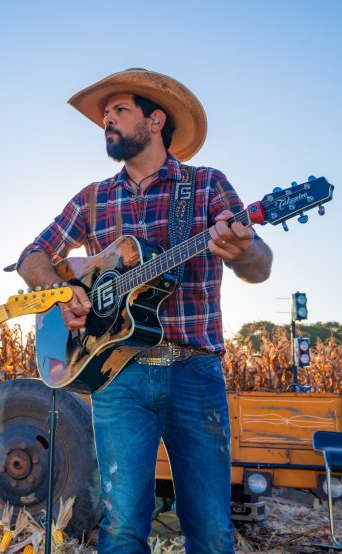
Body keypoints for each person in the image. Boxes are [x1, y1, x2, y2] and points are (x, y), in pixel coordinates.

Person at [17, 69, 272, 553]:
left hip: (194, 372)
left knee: (211, 529)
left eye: (119, 111)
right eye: (105, 115)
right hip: (118, 376)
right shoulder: (93, 197)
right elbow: (33, 255)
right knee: (121, 528)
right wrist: (59, 291)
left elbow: (259, 267)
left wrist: (243, 249)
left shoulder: (205, 185)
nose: (107, 121)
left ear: (155, 121)